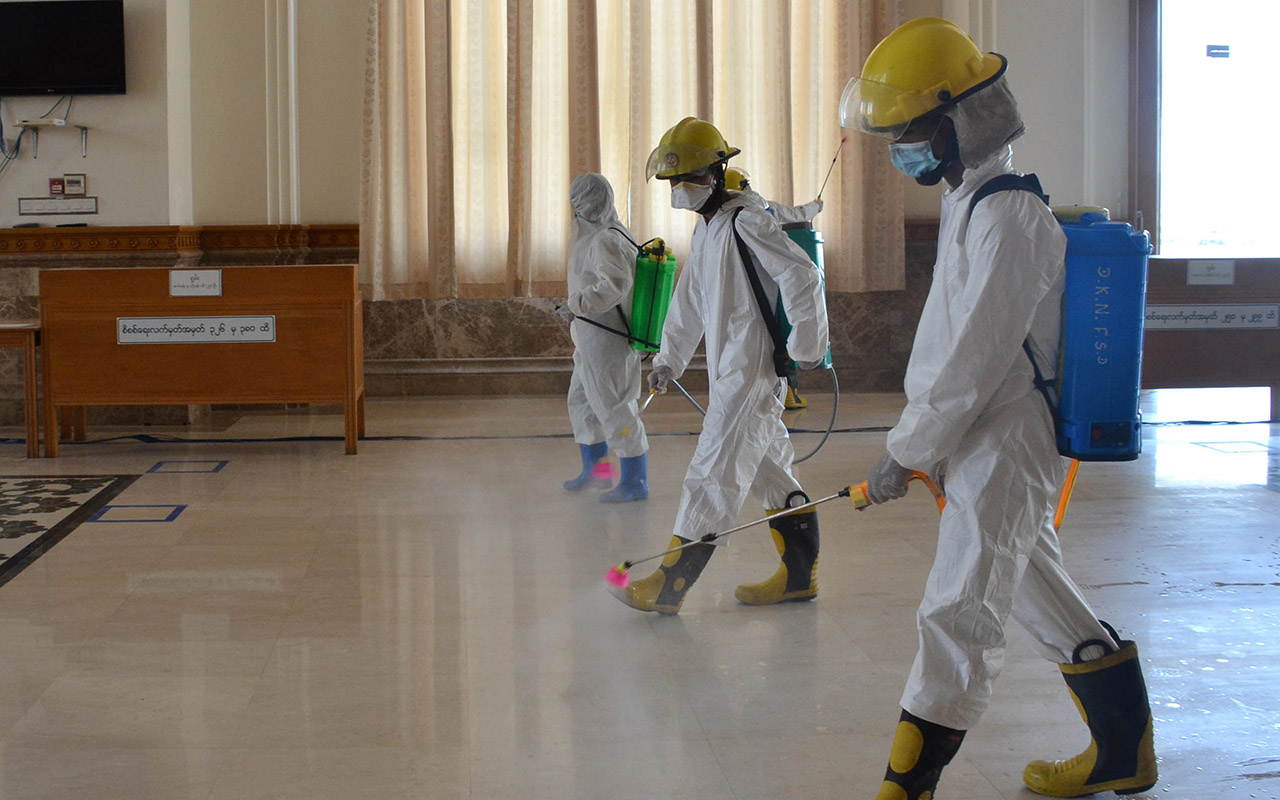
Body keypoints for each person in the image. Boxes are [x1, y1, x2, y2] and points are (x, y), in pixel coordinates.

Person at [840, 17, 1157, 799]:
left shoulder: (1011, 216)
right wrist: (926, 446)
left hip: (1007, 443)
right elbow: (956, 351)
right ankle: (1124, 751)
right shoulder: (971, 201)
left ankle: (904, 789)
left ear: (962, 120)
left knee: (957, 611)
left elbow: (974, 362)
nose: (900, 147)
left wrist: (906, 451)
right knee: (1034, 590)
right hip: (976, 439)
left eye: (911, 129)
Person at [607, 117, 829, 614]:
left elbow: (802, 275)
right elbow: (689, 300)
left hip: (751, 370)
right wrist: (669, 360)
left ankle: (669, 585)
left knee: (712, 469)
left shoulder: (747, 220)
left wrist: (808, 345)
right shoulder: (708, 228)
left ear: (718, 171)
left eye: (690, 177)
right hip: (730, 367)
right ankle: (798, 577)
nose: (680, 188)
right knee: (771, 472)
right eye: (673, 180)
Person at [558, 172, 649, 503]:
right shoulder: (597, 236)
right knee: (582, 402)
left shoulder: (605, 240)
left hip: (607, 340)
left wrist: (575, 305)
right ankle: (597, 471)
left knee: (615, 408)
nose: (575, 209)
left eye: (578, 202)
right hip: (589, 338)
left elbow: (614, 286)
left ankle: (635, 481)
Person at [725, 166, 824, 409]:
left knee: (774, 340)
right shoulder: (761, 209)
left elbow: (802, 273)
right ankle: (788, 390)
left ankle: (786, 390)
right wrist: (816, 205)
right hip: (777, 289)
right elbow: (797, 213)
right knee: (781, 335)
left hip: (761, 293)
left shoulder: (744, 215)